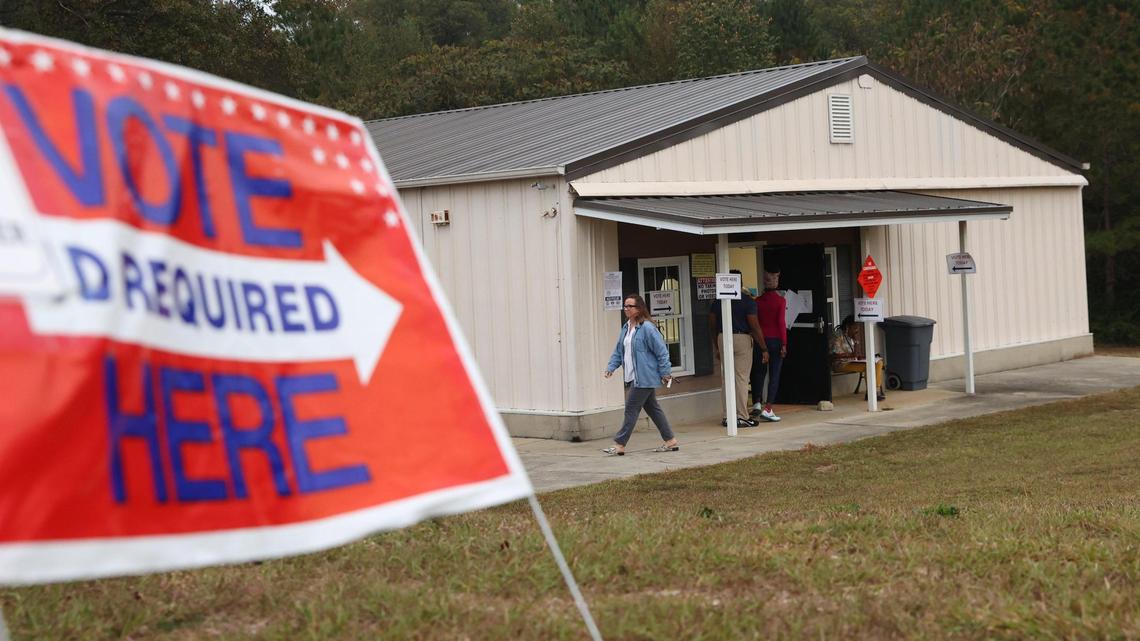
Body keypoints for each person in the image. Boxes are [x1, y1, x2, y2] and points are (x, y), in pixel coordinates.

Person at [602, 294, 679, 456]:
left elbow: (662, 352)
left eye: (630, 306)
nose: (626, 309)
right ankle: (670, 441)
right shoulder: (626, 327)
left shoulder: (648, 328)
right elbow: (619, 350)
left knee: (631, 409)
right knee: (653, 409)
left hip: (644, 377)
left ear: (639, 308)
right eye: (625, 306)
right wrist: (611, 367)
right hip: (632, 376)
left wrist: (665, 372)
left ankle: (619, 444)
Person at [709, 270, 768, 428]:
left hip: (722, 336)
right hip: (742, 337)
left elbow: (713, 325)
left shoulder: (718, 300)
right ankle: (742, 416)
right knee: (741, 378)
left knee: (726, 379)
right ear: (740, 282)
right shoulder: (747, 301)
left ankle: (728, 416)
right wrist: (764, 348)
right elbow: (754, 327)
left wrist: (717, 346)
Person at [752, 269, 787, 422]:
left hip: (761, 341)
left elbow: (756, 323)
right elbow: (781, 322)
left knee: (759, 372)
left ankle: (757, 402)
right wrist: (784, 343)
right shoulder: (781, 300)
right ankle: (768, 408)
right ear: (776, 282)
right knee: (775, 374)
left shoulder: (757, 301)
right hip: (776, 340)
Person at [831, 314, 886, 401]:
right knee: (869, 366)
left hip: (852, 362)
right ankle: (871, 393)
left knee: (878, 363)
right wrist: (849, 355)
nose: (857, 330)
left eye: (858, 327)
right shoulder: (838, 336)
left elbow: (855, 353)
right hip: (841, 363)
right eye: (855, 327)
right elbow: (834, 355)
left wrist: (856, 342)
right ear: (848, 327)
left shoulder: (851, 337)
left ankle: (875, 390)